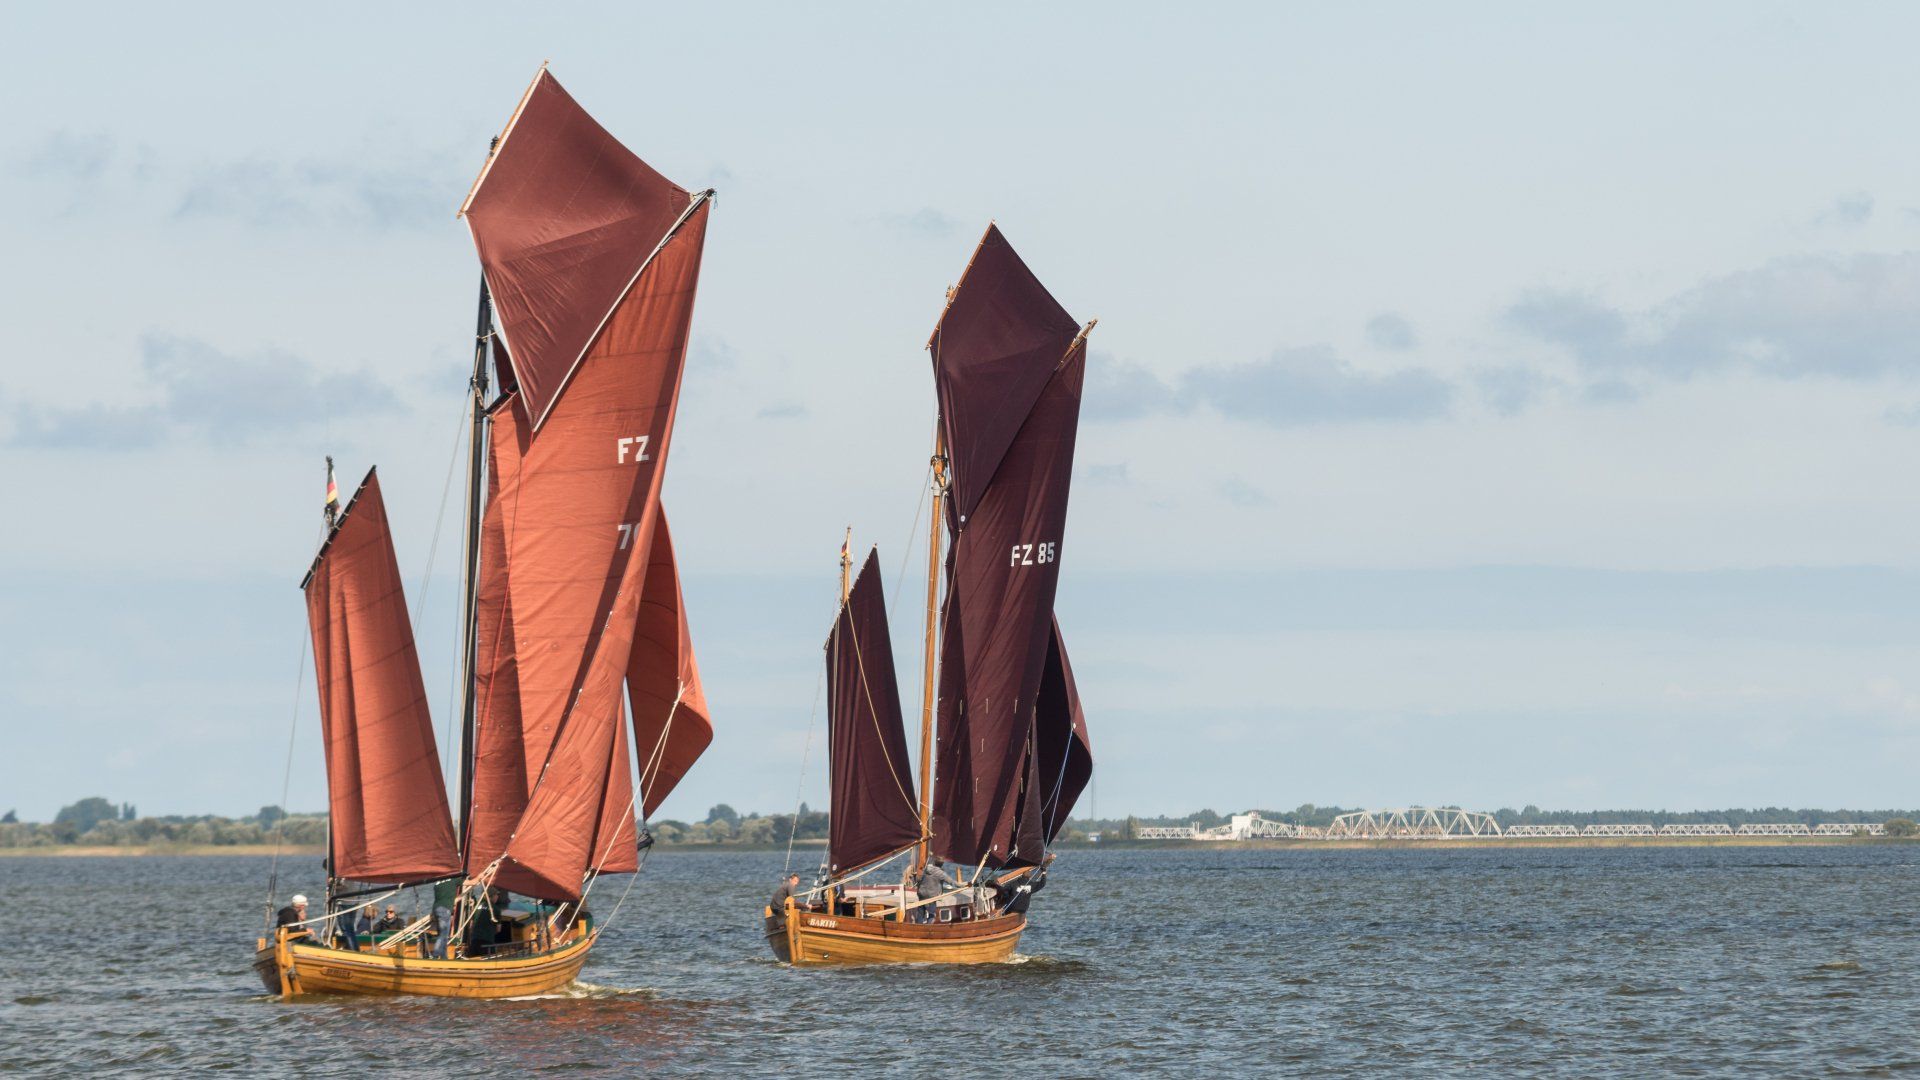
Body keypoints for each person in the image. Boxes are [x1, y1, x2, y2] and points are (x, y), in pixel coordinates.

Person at [429, 877, 457, 959]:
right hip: (445, 910)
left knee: (443, 935)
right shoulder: (454, 878)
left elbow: (440, 897)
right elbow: (471, 882)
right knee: (443, 934)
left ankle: (444, 957)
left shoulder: (437, 882)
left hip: (436, 909)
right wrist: (480, 876)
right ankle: (436, 954)